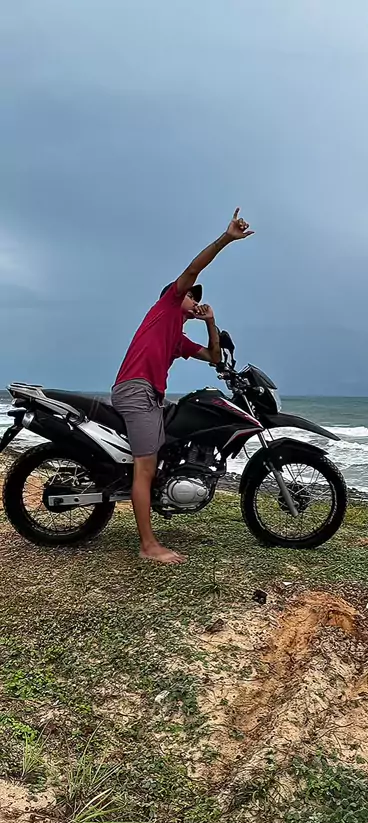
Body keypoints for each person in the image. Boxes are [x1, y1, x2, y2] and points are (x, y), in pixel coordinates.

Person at [111, 208, 254, 564]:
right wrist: (226, 239)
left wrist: (210, 321)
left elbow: (214, 357)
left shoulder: (177, 337)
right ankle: (148, 546)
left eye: (196, 297)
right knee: (145, 467)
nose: (196, 299)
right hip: (136, 389)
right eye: (192, 296)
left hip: (150, 394)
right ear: (176, 296)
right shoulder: (167, 306)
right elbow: (193, 270)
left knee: (172, 442)